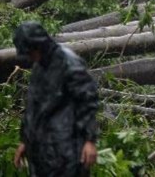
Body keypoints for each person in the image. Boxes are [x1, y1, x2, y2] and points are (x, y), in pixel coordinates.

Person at [12, 21, 99, 177]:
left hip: (67, 149)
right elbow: (33, 106)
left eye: (31, 52)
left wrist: (89, 140)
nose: (30, 57)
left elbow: (87, 101)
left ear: (39, 46)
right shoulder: (39, 67)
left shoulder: (68, 63)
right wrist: (25, 140)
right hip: (42, 150)